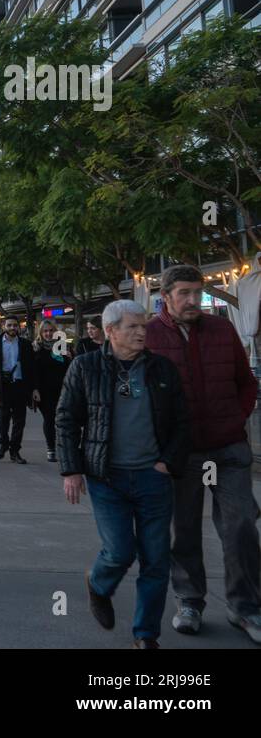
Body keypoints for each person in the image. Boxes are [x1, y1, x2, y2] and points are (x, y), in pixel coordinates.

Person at [57, 299, 191, 649]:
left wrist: (168, 462)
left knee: (156, 560)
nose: (141, 332)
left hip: (153, 478)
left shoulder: (161, 369)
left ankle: (146, 635)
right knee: (119, 551)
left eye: (143, 326)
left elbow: (181, 420)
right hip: (107, 478)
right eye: (132, 327)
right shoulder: (85, 367)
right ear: (110, 331)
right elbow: (66, 420)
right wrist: (71, 470)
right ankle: (99, 584)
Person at [144, 264, 261, 644]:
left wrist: (236, 417)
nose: (194, 300)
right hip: (182, 454)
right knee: (185, 529)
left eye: (198, 292)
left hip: (227, 449)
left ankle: (245, 606)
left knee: (241, 525)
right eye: (185, 293)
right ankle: (189, 600)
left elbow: (246, 382)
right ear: (166, 296)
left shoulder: (222, 329)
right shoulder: (148, 336)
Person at [0, 316, 35, 463]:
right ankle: (4, 444)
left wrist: (34, 388)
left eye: (15, 325)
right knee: (3, 418)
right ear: (4, 326)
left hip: (20, 386)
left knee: (20, 421)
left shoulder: (25, 344)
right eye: (10, 325)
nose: (13, 328)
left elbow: (32, 368)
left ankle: (15, 451)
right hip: (3, 386)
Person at [32, 318, 72, 463]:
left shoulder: (62, 347)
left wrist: (70, 358)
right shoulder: (36, 347)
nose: (48, 334)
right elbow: (33, 371)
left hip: (62, 389)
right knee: (49, 418)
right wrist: (35, 389)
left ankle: (64, 446)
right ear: (41, 333)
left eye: (51, 331)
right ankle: (51, 448)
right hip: (44, 390)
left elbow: (69, 369)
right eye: (45, 331)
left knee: (62, 420)